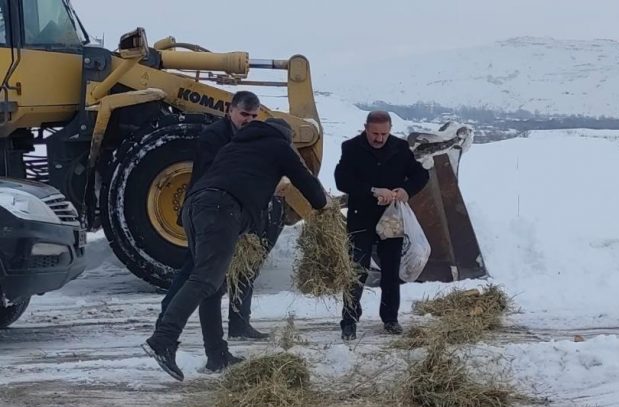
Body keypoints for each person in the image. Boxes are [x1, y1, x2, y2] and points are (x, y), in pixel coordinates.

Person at [144, 118, 328, 381]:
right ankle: (163, 339)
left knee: (212, 284)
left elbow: (239, 175)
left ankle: (217, 355)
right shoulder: (278, 146)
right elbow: (311, 189)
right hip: (222, 209)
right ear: (286, 137)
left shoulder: (233, 146)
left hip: (195, 205)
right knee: (206, 279)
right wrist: (323, 208)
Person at [156, 91, 278, 342]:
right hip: (209, 214)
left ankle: (240, 323)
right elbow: (214, 175)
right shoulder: (213, 136)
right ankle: (165, 322)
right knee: (197, 269)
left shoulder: (251, 138)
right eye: (244, 114)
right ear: (230, 111)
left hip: (235, 213)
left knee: (243, 266)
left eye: (254, 116)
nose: (249, 120)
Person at [334, 111, 429, 341]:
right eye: (375, 133)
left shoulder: (400, 148)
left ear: (390, 129)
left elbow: (420, 175)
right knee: (356, 269)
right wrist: (373, 191)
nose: (379, 138)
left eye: (384, 134)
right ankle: (349, 320)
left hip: (391, 219)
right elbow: (342, 180)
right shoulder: (351, 148)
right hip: (361, 216)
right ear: (365, 128)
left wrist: (406, 191)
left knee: (391, 269)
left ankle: (390, 318)